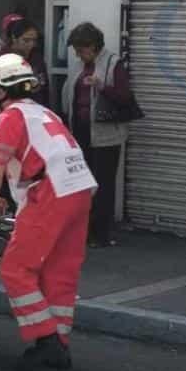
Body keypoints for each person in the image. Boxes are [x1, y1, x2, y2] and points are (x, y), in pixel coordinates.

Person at [0, 53, 97, 371]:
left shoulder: (9, 118)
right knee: (59, 272)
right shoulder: (44, 113)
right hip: (80, 188)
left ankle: (46, 341)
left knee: (15, 269)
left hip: (51, 192)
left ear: (1, 91)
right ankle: (59, 347)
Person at [62, 22, 132, 248]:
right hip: (80, 131)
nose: (78, 55)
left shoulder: (113, 63)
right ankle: (83, 230)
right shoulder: (78, 65)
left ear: (92, 46)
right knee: (81, 183)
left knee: (102, 184)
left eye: (81, 50)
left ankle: (101, 232)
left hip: (105, 135)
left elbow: (124, 97)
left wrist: (101, 86)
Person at [0, 18, 49, 106]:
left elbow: (44, 87)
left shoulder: (36, 58)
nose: (31, 44)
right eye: (26, 40)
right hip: (11, 109)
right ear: (14, 38)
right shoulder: (2, 59)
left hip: (36, 109)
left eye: (34, 40)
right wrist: (30, 86)